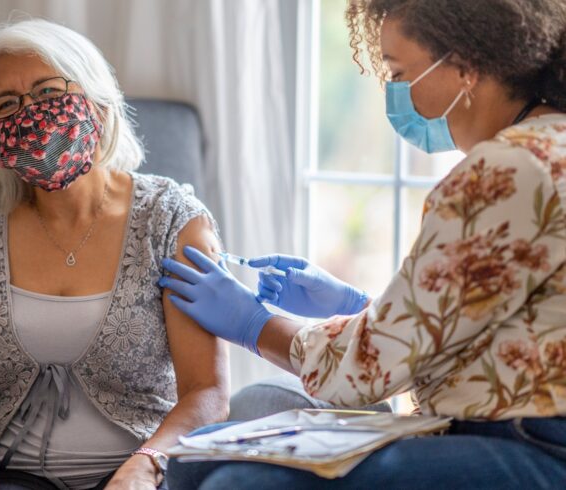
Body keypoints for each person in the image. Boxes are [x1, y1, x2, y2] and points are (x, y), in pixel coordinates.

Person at [160, 0, 566, 488]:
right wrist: (362, 308)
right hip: (521, 430)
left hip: (533, 446)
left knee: (234, 484)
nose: (394, 93)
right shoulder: (549, 145)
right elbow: (487, 323)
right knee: (192, 463)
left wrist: (256, 325)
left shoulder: (506, 170)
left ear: (465, 66)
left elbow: (368, 372)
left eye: (398, 72)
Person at [0, 19, 230, 490]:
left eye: (49, 93)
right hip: (5, 476)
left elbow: (207, 392)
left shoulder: (172, 220)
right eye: (7, 105)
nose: (30, 115)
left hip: (143, 474)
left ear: (96, 99)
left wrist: (146, 465)